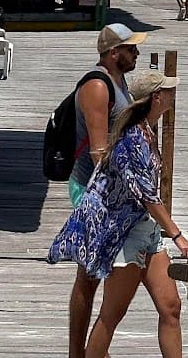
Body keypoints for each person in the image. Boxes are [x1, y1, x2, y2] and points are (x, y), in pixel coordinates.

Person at [49, 68, 188, 358]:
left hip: (144, 230)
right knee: (112, 316)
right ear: (156, 97)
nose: (174, 94)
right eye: (169, 90)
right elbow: (148, 196)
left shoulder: (148, 133)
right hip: (123, 234)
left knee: (171, 308)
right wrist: (179, 238)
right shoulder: (131, 141)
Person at [65, 25, 147, 358]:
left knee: (102, 272)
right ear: (114, 53)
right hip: (93, 189)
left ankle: (93, 350)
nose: (136, 54)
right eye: (131, 49)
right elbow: (99, 151)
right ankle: (76, 352)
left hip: (115, 190)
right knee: (89, 276)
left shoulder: (120, 82)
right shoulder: (98, 87)